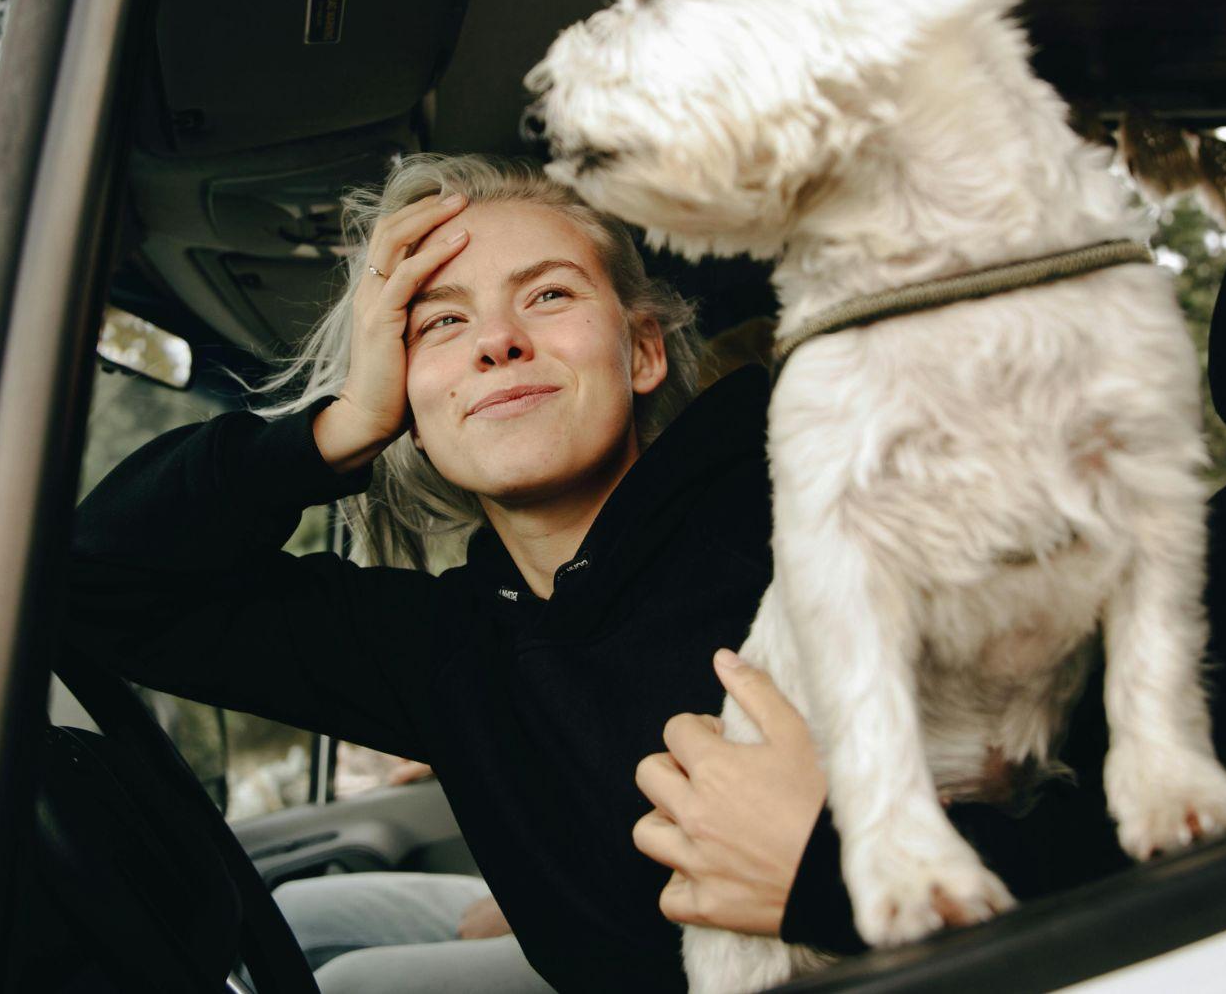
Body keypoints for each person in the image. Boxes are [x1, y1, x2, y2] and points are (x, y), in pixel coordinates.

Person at [66, 153, 868, 992]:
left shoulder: (812, 525)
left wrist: (826, 874)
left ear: (641, 352)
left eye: (549, 294)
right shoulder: (443, 646)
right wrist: (337, 429)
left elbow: (1018, 845)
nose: (497, 340)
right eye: (441, 323)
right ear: (409, 405)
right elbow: (97, 583)